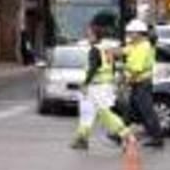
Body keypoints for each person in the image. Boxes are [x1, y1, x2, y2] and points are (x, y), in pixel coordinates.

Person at [70, 22, 135, 150]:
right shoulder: (105, 49)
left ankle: (127, 136)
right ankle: (82, 139)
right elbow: (113, 67)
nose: (87, 37)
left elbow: (93, 68)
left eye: (89, 35)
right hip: (103, 86)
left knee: (105, 113)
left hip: (97, 86)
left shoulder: (94, 50)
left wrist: (85, 84)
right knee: (87, 111)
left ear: (95, 36)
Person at [122, 20, 163, 148]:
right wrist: (108, 51)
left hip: (141, 83)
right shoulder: (136, 45)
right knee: (130, 111)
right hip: (138, 83)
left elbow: (136, 69)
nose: (129, 35)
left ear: (139, 34)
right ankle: (120, 133)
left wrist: (127, 81)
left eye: (131, 33)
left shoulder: (143, 47)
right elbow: (124, 50)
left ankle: (157, 138)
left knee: (147, 111)